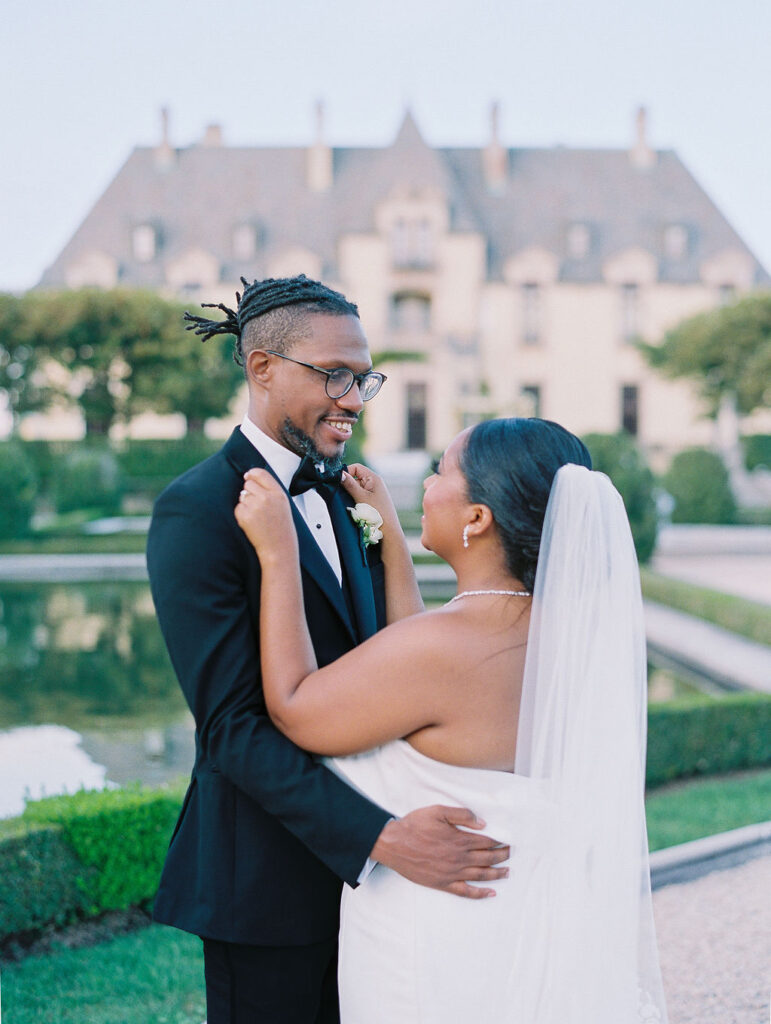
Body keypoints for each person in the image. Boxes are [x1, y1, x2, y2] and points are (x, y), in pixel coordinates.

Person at [146, 275, 509, 1024]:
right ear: (262, 369)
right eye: (333, 375)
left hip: (383, 897)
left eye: (361, 378)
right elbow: (230, 729)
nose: (352, 398)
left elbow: (389, 668)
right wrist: (382, 839)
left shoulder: (349, 497)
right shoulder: (195, 511)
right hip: (266, 886)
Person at [236, 416, 669, 1023]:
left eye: (441, 471)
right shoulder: (557, 633)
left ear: (477, 519)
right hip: (520, 932)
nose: (425, 486)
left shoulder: (446, 648)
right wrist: (390, 541)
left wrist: (279, 554)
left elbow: (296, 709)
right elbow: (422, 659)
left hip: (434, 945)